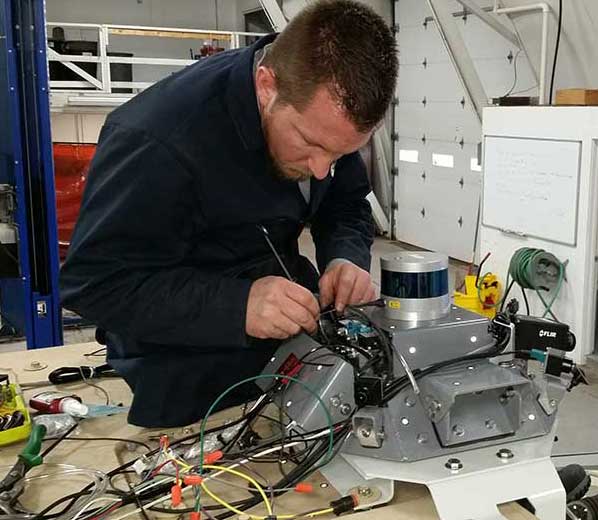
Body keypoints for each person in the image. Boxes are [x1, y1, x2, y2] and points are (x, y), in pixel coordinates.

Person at [60, 0, 398, 427]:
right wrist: (236, 305)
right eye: (310, 145)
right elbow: (96, 284)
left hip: (290, 330)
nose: (320, 168)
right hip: (182, 362)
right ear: (265, 85)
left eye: (340, 154)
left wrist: (345, 256)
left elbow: (345, 202)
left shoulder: (325, 122)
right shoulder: (157, 140)